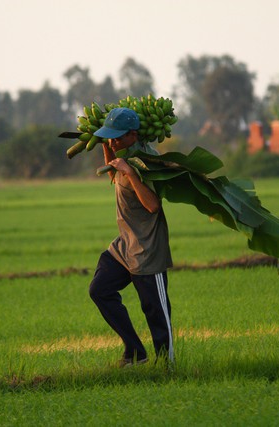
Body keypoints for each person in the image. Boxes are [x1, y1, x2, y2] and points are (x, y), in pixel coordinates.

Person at [88, 107, 174, 367]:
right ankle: (135, 352)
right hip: (124, 247)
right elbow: (114, 174)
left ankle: (166, 365)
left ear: (133, 135)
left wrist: (130, 172)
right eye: (110, 137)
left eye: (117, 137)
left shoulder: (147, 162)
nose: (113, 142)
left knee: (155, 312)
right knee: (99, 290)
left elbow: (152, 205)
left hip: (147, 250)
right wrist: (106, 147)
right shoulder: (125, 155)